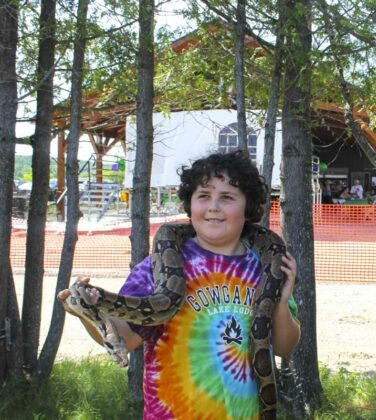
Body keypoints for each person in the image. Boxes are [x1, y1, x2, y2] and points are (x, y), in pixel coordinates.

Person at [59, 150, 300, 419]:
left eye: (227, 198)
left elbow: (282, 347)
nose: (213, 207)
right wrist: (85, 312)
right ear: (190, 204)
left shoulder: (263, 267)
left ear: (248, 207)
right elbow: (124, 339)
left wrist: (280, 303)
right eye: (203, 196)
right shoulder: (153, 269)